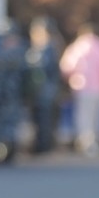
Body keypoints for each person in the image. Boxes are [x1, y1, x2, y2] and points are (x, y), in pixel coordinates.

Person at [59, 23, 99, 156]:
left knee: (83, 115)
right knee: (97, 115)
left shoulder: (76, 48)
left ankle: (84, 140)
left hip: (81, 87)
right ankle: (94, 139)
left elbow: (67, 67)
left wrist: (70, 78)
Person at [0, 19, 27, 166]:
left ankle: (7, 151)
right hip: (2, 93)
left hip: (8, 93)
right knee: (1, 122)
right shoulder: (8, 48)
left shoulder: (16, 48)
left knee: (7, 122)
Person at [25, 17, 62, 154]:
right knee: (39, 119)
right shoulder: (38, 48)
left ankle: (43, 146)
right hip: (39, 91)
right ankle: (41, 144)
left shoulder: (48, 49)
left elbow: (46, 70)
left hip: (45, 91)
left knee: (44, 119)